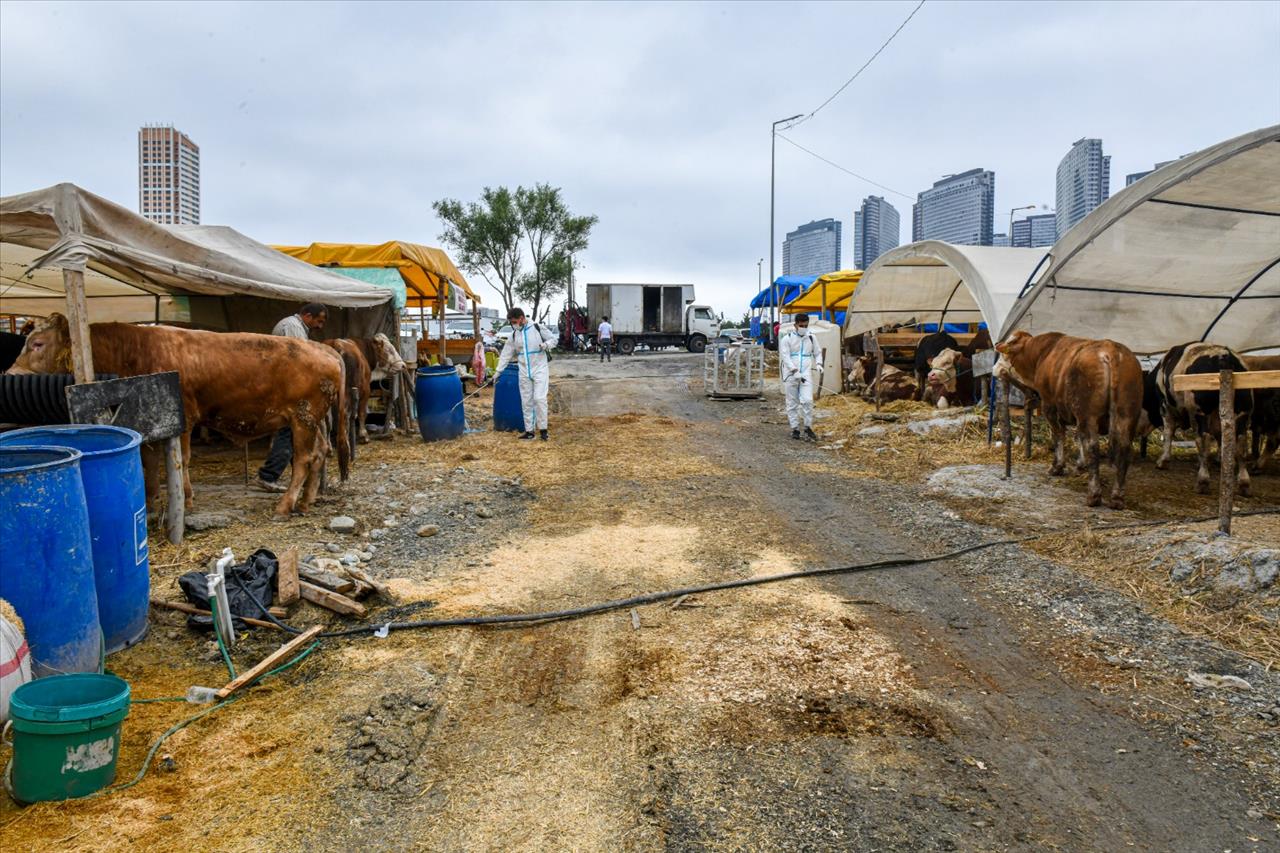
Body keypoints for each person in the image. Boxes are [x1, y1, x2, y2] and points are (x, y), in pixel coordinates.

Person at [256, 303, 328, 491]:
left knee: (293, 432)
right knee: (288, 430)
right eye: (318, 321)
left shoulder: (296, 326)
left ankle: (296, 476)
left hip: (287, 387)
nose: (319, 326)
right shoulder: (292, 327)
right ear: (307, 315)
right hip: (285, 388)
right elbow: (297, 363)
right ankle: (268, 475)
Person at [495, 306, 556, 440]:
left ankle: (543, 430)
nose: (513, 325)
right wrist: (498, 371)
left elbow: (553, 339)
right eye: (512, 322)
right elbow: (506, 353)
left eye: (514, 322)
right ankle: (529, 431)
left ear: (521, 318)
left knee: (539, 399)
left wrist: (546, 345)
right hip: (523, 370)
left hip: (539, 368)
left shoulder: (536, 328)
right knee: (526, 401)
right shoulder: (514, 335)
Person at [778, 313, 823, 441]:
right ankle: (795, 428)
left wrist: (819, 364)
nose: (803, 327)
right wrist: (793, 370)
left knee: (808, 401)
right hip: (790, 375)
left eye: (806, 325)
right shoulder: (787, 339)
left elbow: (818, 353)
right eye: (801, 325)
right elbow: (785, 357)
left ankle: (808, 427)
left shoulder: (812, 338)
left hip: (806, 374)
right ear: (795, 325)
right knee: (792, 403)